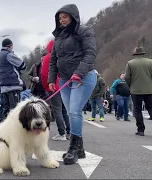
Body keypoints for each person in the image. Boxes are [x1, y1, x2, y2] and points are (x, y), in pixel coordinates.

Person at [48, 4, 97, 165]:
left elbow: (90, 53)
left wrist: (79, 72)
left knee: (75, 111)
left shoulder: (84, 31)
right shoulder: (58, 37)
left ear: (73, 17)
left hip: (83, 77)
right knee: (70, 112)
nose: (62, 20)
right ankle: (80, 149)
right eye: (60, 18)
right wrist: (51, 80)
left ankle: (73, 149)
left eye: (65, 17)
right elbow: (53, 60)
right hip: (64, 80)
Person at [41, 40, 70, 141]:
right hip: (64, 86)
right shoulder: (63, 57)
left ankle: (61, 133)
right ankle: (69, 132)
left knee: (57, 111)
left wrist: (47, 86)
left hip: (53, 87)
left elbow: (44, 74)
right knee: (64, 110)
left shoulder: (48, 58)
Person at [125, 47, 152, 136]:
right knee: (151, 108)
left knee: (137, 109)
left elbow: (127, 77)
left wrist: (130, 84)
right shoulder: (151, 62)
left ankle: (141, 129)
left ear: (135, 55)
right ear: (143, 54)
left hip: (136, 90)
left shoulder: (130, 63)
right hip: (149, 89)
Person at [0, 38, 26, 121]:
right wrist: (19, 71)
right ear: (10, 45)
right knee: (15, 110)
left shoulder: (0, 55)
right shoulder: (8, 54)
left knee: (5, 110)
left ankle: (3, 129)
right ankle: (15, 130)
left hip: (4, 87)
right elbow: (22, 65)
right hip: (12, 86)